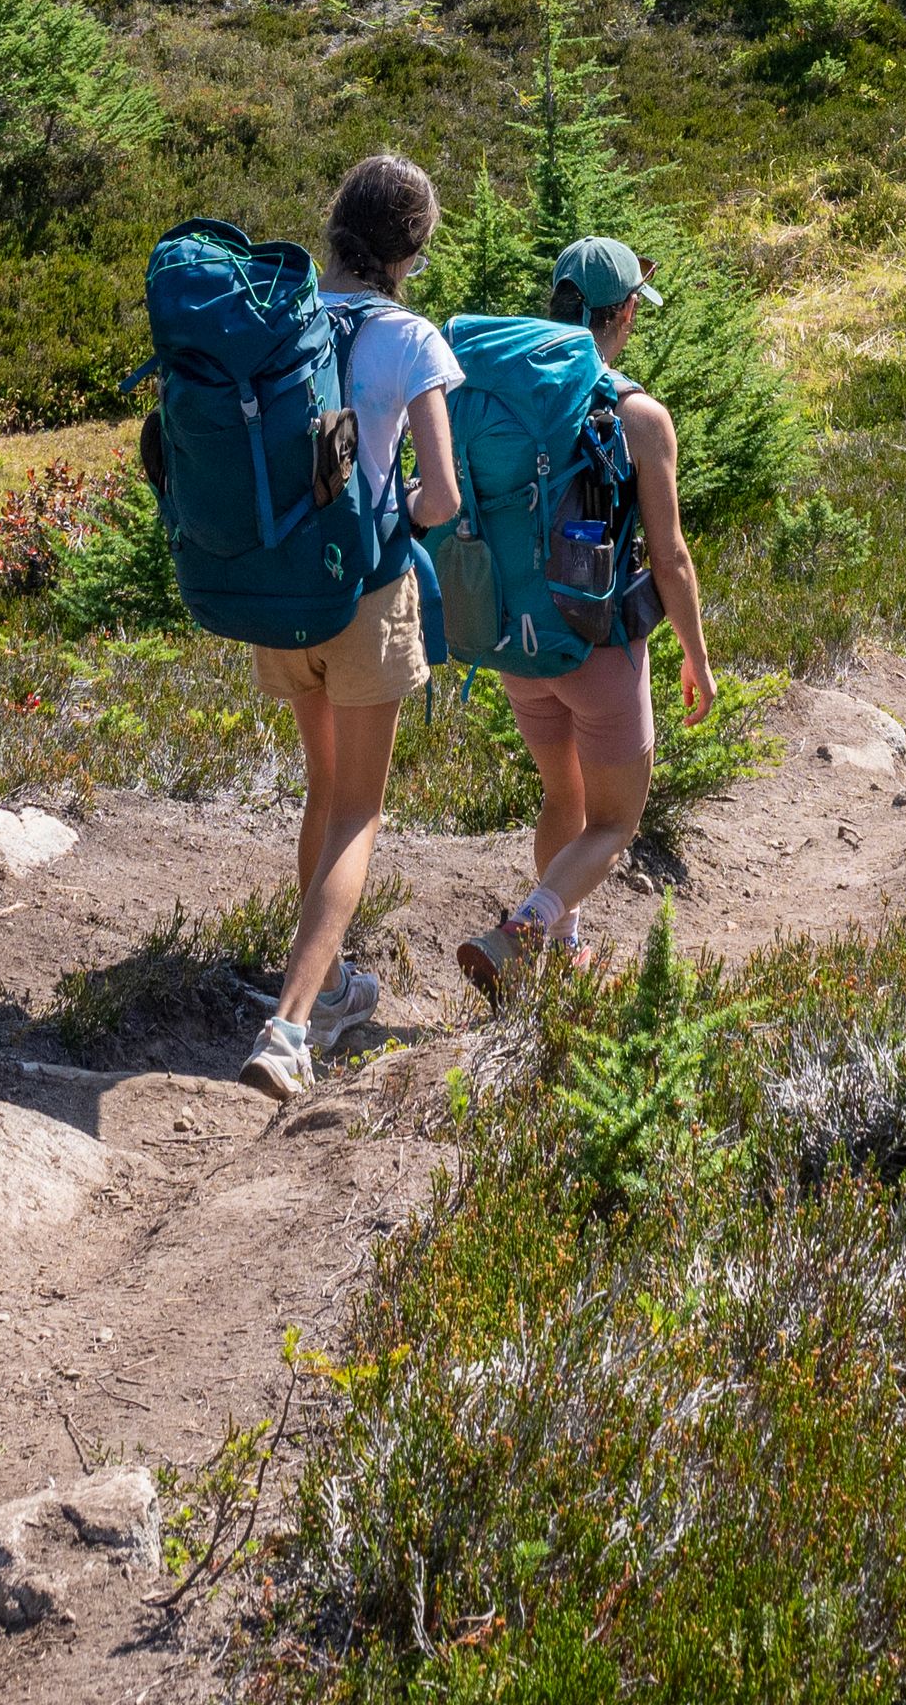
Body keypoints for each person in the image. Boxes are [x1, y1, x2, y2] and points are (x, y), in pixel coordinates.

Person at [245, 151, 464, 1103]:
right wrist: (397, 509)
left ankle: (327, 982)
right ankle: (292, 1025)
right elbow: (444, 499)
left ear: (336, 227)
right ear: (410, 249)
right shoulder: (408, 337)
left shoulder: (282, 317)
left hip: (280, 598)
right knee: (360, 812)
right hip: (365, 600)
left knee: (323, 792)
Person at [455, 237, 717, 1007]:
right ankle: (524, 932)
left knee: (561, 800)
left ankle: (563, 953)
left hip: (516, 644)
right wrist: (697, 656)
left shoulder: (510, 394)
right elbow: (669, 557)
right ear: (626, 311)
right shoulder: (641, 416)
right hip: (598, 649)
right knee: (611, 823)